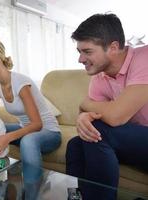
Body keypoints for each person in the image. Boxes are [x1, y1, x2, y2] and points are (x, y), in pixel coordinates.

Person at [65, 13, 148, 200]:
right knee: (75, 145)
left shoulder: (144, 57)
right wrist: (83, 115)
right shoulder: (100, 76)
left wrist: (85, 105)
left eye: (87, 51)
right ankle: (76, 198)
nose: (80, 59)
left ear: (113, 47)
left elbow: (116, 117)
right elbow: (87, 114)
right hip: (135, 141)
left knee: (99, 130)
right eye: (79, 52)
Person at [0, 39, 61, 199]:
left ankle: (32, 194)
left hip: (48, 132)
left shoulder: (20, 82)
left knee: (27, 140)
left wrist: (7, 138)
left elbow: (37, 124)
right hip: (27, 130)